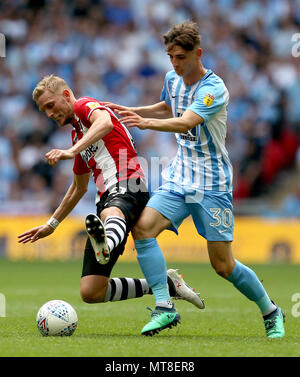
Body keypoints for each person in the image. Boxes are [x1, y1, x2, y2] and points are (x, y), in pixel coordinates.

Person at [107, 20, 285, 337]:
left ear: (198, 54)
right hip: (179, 177)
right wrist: (130, 109)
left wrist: (144, 123)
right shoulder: (172, 79)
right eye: (170, 57)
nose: (174, 63)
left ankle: (271, 311)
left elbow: (186, 120)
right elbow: (169, 106)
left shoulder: (214, 89)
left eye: (180, 57)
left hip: (212, 184)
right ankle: (164, 306)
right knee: (143, 228)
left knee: (223, 265)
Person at [17, 74, 204, 318]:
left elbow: (104, 122)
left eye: (50, 106)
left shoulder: (85, 106)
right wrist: (52, 224)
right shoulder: (78, 135)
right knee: (92, 291)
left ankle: (106, 241)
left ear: (65, 95)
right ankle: (165, 283)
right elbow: (79, 187)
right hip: (108, 199)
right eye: (44, 111)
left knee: (109, 213)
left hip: (129, 184)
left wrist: (71, 151)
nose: (49, 114)